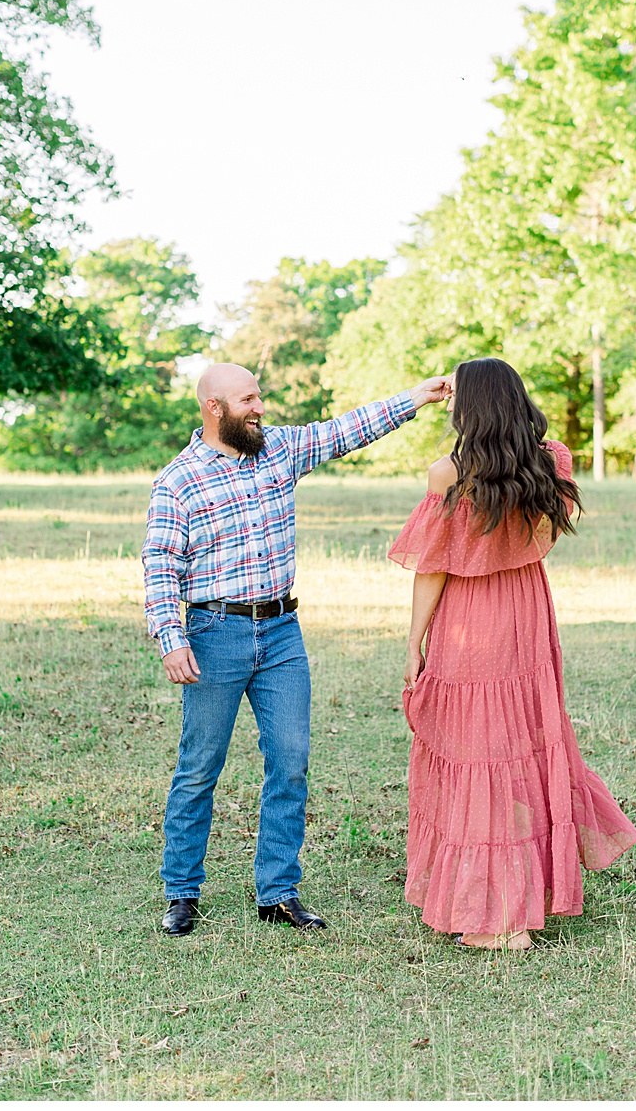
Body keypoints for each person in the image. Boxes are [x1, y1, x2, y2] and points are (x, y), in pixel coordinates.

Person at [143, 363, 453, 937]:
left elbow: (347, 430)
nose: (260, 407)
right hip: (214, 633)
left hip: (282, 632)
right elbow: (161, 564)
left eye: (259, 396)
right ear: (214, 407)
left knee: (290, 761)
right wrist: (171, 639)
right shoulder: (178, 480)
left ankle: (278, 892)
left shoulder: (279, 450)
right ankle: (181, 891)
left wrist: (417, 396)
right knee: (199, 766)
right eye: (248, 400)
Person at [391, 357, 636, 949]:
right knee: (519, 743)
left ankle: (500, 919)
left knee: (478, 750)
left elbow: (432, 568)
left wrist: (414, 641)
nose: (449, 401)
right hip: (526, 610)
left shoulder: (448, 473)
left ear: (472, 406)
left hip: (471, 619)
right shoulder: (549, 461)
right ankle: (519, 894)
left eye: (456, 393)